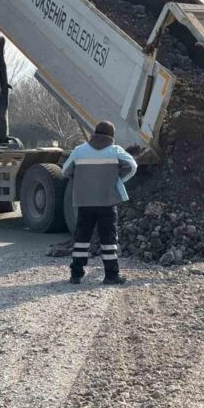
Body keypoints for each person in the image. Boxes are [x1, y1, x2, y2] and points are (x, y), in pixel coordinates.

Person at [62, 120, 137, 285]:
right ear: (111, 136)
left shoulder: (79, 151)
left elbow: (65, 170)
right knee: (108, 240)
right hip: (107, 202)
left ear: (94, 133)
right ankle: (111, 276)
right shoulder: (115, 151)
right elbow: (132, 166)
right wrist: (117, 180)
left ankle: (76, 274)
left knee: (81, 238)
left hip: (85, 202)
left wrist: (81, 180)